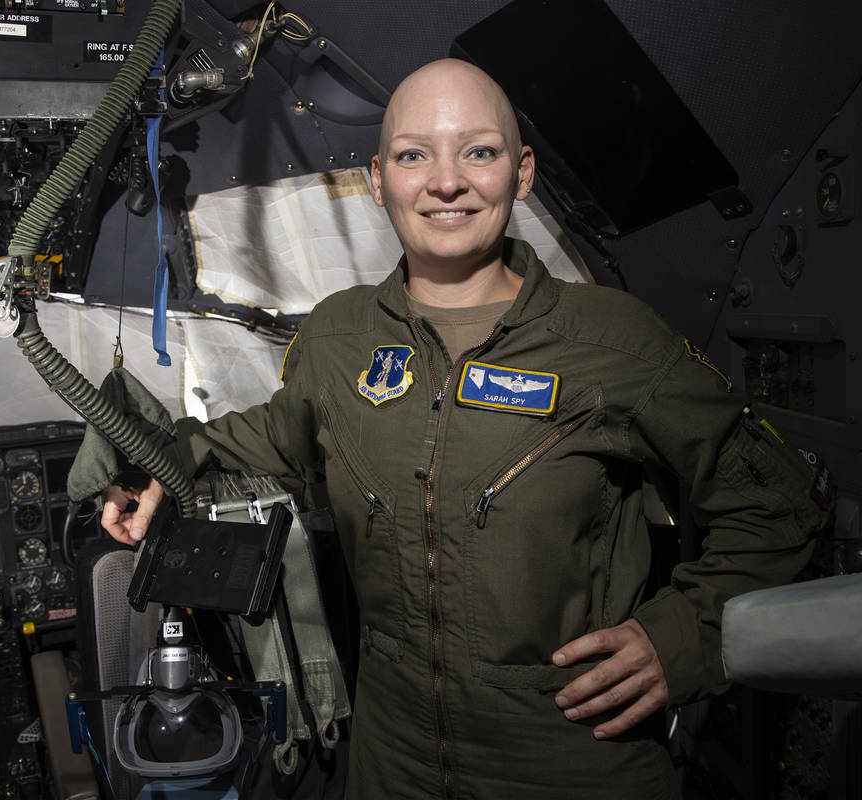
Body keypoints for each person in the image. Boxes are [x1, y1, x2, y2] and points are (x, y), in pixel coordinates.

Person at [99, 58, 828, 798]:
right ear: (380, 179)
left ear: (523, 173)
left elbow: (779, 505)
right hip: (393, 753)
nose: (446, 182)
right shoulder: (339, 335)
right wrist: (161, 469)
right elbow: (271, 435)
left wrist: (681, 637)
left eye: (478, 151)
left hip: (573, 748)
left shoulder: (614, 340)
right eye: (416, 155)